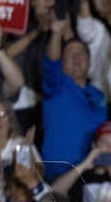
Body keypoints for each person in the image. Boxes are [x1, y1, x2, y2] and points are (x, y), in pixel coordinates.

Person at [40, 13, 107, 181]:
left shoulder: (99, 95)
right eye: (70, 54)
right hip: (59, 175)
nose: (77, 57)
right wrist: (56, 33)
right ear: (62, 63)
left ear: (90, 61)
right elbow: (51, 61)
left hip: (92, 174)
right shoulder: (57, 85)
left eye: (82, 53)